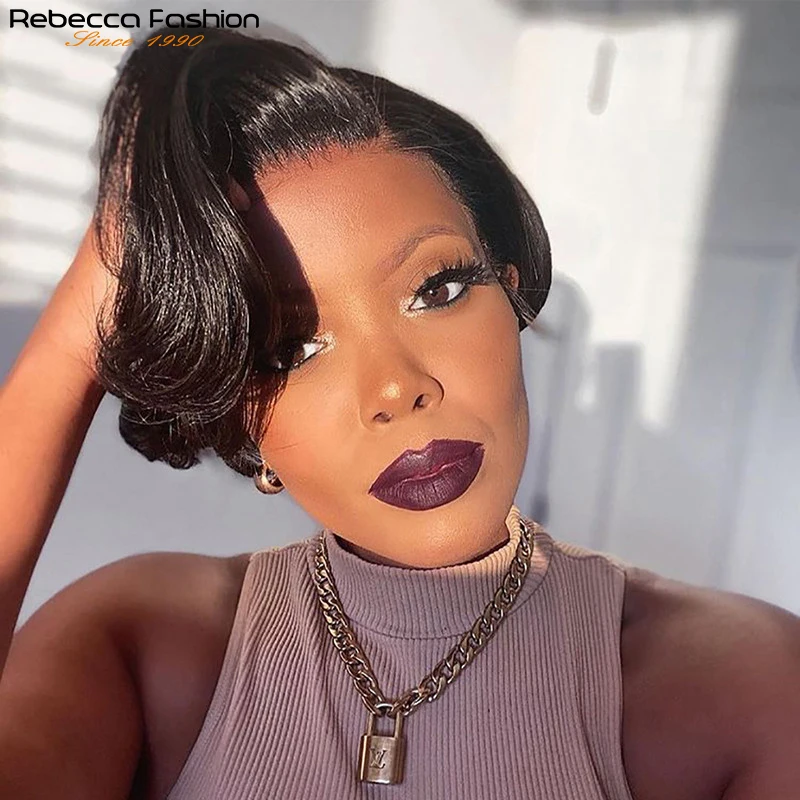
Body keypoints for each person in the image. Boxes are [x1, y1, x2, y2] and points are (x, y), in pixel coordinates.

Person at [0, 25, 798, 800]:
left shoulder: (741, 684)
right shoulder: (139, 649)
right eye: (290, 348)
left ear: (511, 295)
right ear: (239, 418)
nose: (395, 389)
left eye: (437, 288)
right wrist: (69, 343)